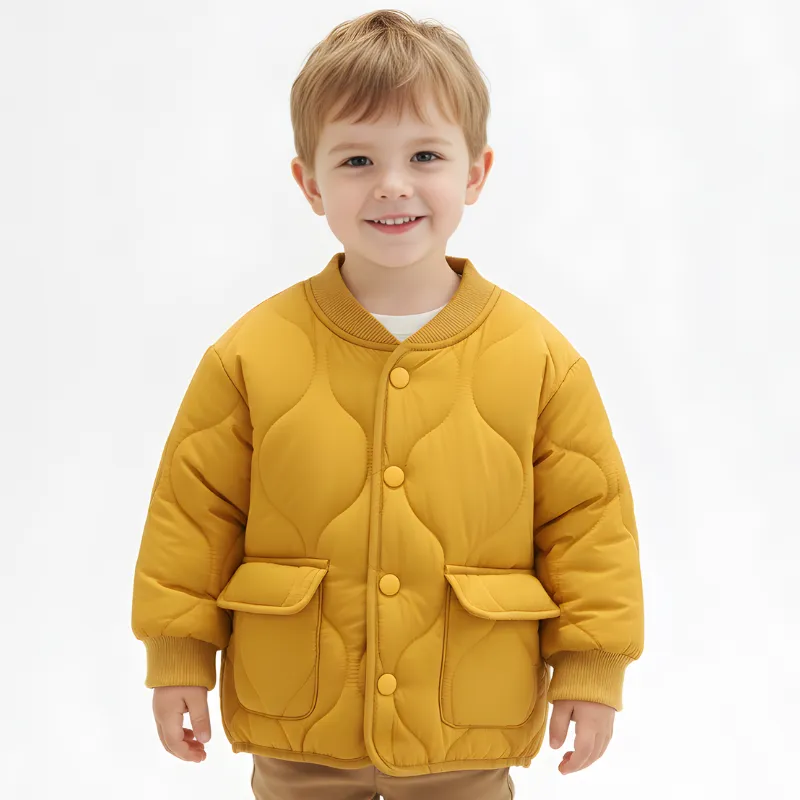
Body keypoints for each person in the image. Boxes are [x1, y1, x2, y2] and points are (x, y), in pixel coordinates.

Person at [131, 9, 645, 800]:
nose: (393, 184)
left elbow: (590, 525)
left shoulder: (540, 360)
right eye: (357, 159)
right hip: (297, 713)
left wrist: (591, 667)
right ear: (310, 183)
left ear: (476, 173)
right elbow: (191, 516)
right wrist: (179, 657)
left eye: (426, 155)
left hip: (466, 716)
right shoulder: (249, 354)